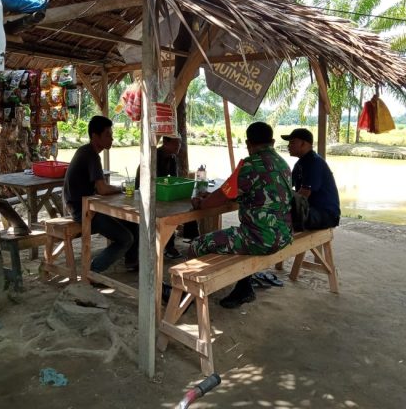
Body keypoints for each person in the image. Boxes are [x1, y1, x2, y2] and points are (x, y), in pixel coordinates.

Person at [188, 122, 294, 309]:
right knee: (237, 235)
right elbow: (245, 191)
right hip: (285, 234)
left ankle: (188, 297)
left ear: (248, 143)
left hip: (260, 239)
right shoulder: (282, 163)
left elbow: (222, 195)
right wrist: (216, 196)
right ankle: (244, 288)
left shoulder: (250, 165)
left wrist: (201, 203)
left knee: (197, 244)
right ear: (272, 142)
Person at [63, 115, 139, 273]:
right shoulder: (91, 155)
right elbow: (103, 189)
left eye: (111, 135)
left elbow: (99, 188)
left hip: (80, 205)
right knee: (126, 239)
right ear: (95, 136)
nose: (111, 139)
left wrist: (117, 189)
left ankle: (132, 261)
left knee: (131, 221)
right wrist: (122, 188)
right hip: (82, 211)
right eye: (107, 135)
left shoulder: (85, 151)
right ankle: (93, 270)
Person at [134, 134, 189, 259]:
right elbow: (151, 180)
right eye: (175, 143)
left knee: (183, 205)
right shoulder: (154, 156)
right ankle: (166, 246)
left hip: (160, 190)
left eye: (179, 143)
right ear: (165, 142)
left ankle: (186, 239)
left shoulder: (172, 157)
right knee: (166, 213)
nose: (178, 146)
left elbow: (173, 179)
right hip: (145, 191)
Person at [281, 128, 340, 229]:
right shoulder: (300, 163)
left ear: (303, 144)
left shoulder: (314, 163)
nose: (288, 146)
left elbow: (303, 195)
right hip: (311, 210)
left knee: (280, 217)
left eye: (292, 142)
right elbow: (287, 185)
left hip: (325, 214)